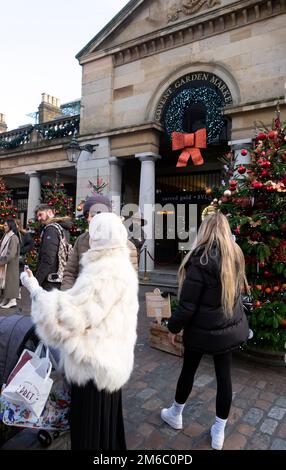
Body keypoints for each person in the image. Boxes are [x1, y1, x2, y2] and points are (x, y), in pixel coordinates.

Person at [21, 212, 139, 450]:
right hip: (110, 362)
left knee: (89, 430)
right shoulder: (120, 266)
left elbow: (67, 318)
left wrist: (33, 287)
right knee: (106, 427)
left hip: (92, 367)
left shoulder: (104, 273)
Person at [160, 211, 249, 450]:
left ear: (205, 231)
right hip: (227, 328)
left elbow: (187, 306)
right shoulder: (235, 255)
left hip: (200, 331)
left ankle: (176, 414)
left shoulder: (200, 260)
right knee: (224, 377)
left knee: (188, 371)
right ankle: (219, 432)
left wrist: (173, 327)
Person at [61, 195, 138, 290]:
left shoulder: (127, 246)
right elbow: (70, 273)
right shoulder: (82, 240)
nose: (91, 219)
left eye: (96, 215)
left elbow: (129, 284)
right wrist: (68, 297)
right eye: (89, 215)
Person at [34, 204, 73, 291]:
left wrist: (36, 281)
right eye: (38, 216)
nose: (39, 218)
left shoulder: (51, 229)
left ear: (50, 212)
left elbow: (48, 258)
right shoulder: (62, 228)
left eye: (41, 214)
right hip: (59, 278)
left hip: (50, 280)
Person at [0, 218, 20, 308]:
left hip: (10, 264)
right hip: (6, 263)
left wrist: (1, 261)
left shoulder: (14, 237)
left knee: (10, 282)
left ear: (10, 226)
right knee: (5, 282)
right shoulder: (6, 235)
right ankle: (6, 298)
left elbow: (11, 254)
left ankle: (12, 301)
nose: (4, 227)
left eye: (5, 225)